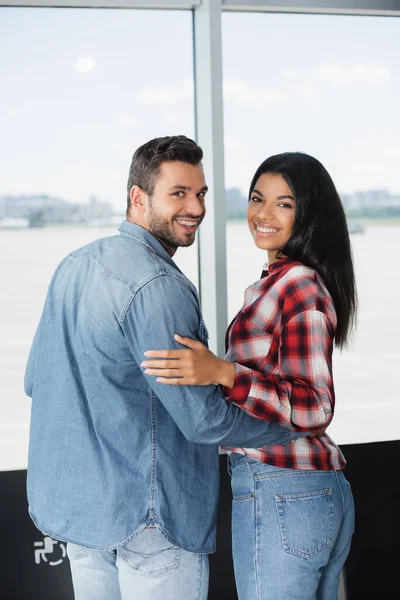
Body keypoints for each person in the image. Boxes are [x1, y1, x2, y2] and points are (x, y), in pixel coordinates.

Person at [24, 137, 308, 600]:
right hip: (148, 522)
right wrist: (290, 427)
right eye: (178, 193)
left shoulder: (73, 266)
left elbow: (36, 380)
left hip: (81, 516)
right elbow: (203, 420)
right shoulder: (159, 286)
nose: (195, 207)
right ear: (138, 198)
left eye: (201, 194)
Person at [141, 151, 357, 600]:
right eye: (258, 198)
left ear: (309, 213)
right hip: (305, 489)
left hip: (282, 485)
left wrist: (223, 372)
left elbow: (316, 406)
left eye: (284, 203)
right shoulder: (286, 281)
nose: (263, 213)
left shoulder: (297, 284)